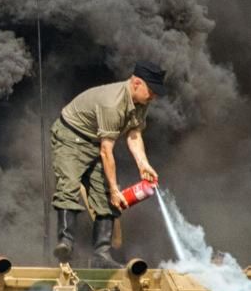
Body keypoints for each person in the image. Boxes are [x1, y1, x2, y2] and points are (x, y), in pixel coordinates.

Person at [50, 62, 165, 267]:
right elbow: (106, 151)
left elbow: (134, 134)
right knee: (69, 186)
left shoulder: (141, 102)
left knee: (104, 201)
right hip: (70, 137)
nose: (154, 97)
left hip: (94, 142)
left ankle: (101, 256)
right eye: (152, 91)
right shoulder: (112, 103)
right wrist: (114, 189)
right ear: (136, 83)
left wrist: (143, 165)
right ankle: (65, 243)